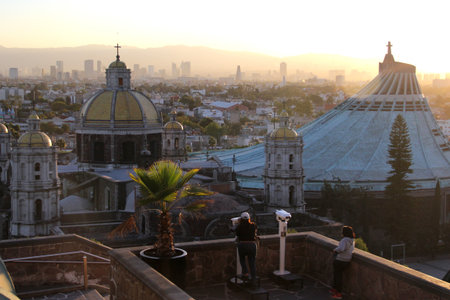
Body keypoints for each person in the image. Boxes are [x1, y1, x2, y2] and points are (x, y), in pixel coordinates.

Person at [330, 226, 355, 299]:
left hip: (340, 260)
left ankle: (338, 293)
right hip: (347, 261)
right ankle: (335, 289)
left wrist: (335, 250)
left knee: (337, 276)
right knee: (338, 276)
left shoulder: (344, 240)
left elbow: (341, 248)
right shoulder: (352, 240)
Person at [235, 212, 258, 286]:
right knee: (252, 262)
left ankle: (245, 273)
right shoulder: (253, 225)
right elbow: (255, 231)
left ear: (241, 219)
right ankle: (253, 278)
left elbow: (237, 234)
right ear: (249, 218)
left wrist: (238, 223)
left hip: (243, 245)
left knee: (242, 259)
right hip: (252, 245)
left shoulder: (239, 226)